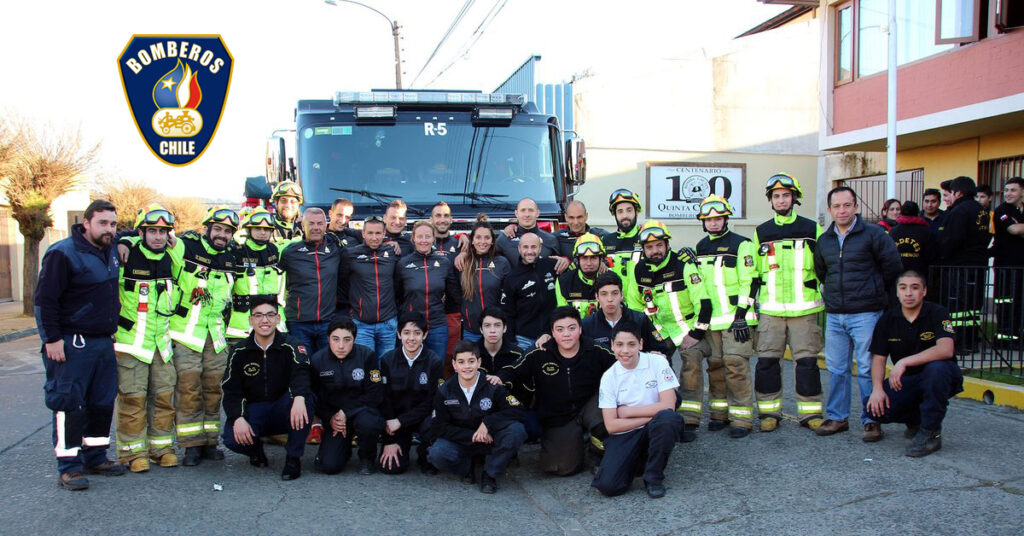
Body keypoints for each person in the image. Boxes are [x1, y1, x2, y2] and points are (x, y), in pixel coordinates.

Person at [36, 199, 125, 490]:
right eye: (102, 223)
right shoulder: (63, 253)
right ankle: (70, 466)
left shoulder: (110, 249)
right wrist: (51, 339)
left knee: (101, 403)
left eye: (113, 224)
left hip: (102, 342)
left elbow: (138, 236)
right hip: (72, 343)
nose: (109, 229)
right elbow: (45, 301)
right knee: (70, 404)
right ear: (85, 223)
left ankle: (96, 456)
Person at [813, 187, 901, 440]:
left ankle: (872, 419)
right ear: (830, 210)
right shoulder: (824, 240)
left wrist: (872, 293)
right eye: (837, 206)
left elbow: (892, 267)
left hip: (866, 313)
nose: (842, 210)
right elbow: (823, 272)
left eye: (847, 205)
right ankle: (837, 417)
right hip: (835, 315)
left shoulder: (874, 234)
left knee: (866, 368)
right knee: (837, 368)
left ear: (856, 207)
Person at [498, 307, 616, 476]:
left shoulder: (597, 350)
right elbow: (512, 370)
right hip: (559, 417)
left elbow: (622, 368)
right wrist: (499, 379)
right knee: (560, 468)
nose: (566, 334)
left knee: (601, 422)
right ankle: (579, 441)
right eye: (560, 329)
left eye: (572, 328)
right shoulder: (540, 352)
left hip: (591, 405)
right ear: (552, 332)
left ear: (580, 329)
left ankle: (598, 452)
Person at [751, 172, 826, 433]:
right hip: (771, 310)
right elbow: (755, 272)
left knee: (807, 364)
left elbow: (823, 264)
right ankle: (769, 413)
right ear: (770, 201)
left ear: (794, 198)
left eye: (785, 195)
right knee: (767, 364)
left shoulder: (811, 228)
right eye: (776, 196)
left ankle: (811, 413)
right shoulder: (762, 232)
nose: (781, 200)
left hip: (804, 309)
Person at [167, 205, 238, 466]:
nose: (222, 235)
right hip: (186, 334)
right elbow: (151, 238)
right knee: (188, 389)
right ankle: (191, 445)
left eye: (228, 231)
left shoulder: (232, 258)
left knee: (213, 390)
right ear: (207, 228)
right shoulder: (186, 247)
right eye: (217, 229)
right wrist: (125, 240)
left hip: (216, 337)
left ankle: (209, 442)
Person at [864, 271, 963, 457]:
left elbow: (946, 349)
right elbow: (878, 358)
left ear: (924, 291)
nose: (909, 293)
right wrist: (877, 389)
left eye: (915, 287)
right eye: (903, 288)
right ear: (897, 292)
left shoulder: (937, 313)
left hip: (942, 376)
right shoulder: (888, 319)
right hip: (909, 379)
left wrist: (903, 362)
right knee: (873, 409)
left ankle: (931, 433)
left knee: (936, 369)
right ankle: (916, 420)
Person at [113, 205, 179, 472]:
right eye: (152, 231)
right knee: (132, 401)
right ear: (141, 232)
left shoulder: (174, 258)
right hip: (131, 346)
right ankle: (132, 453)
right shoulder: (125, 257)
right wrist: (122, 238)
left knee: (164, 399)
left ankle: (161, 449)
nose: (158, 237)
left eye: (163, 232)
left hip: (162, 345)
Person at [221, 297, 314, 480]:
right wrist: (238, 418)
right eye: (259, 315)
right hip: (254, 409)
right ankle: (255, 449)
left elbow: (302, 374)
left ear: (278, 318)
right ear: (251, 320)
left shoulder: (292, 345)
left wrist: (299, 398)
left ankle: (293, 458)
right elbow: (231, 390)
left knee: (306, 400)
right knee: (231, 438)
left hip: (282, 407)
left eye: (270, 315)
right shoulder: (239, 351)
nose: (265, 320)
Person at [592, 321, 684, 498]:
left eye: (631, 344)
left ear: (641, 344)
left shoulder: (657, 362)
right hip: (627, 432)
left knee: (668, 420)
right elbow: (611, 426)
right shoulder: (609, 377)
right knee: (608, 487)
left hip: (654, 426)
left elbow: (668, 406)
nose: (625, 351)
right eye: (619, 345)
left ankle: (654, 478)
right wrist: (650, 417)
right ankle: (639, 462)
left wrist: (627, 412)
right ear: (612, 346)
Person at [692, 195, 757, 438]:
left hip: (736, 319)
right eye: (708, 220)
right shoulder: (701, 247)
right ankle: (720, 414)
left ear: (726, 218)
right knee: (716, 367)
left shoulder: (742, 245)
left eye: (718, 218)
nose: (714, 223)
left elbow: (750, 281)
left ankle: (741, 419)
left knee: (736, 366)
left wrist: (741, 315)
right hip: (713, 322)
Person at [428, 341, 527, 494]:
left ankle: (489, 474)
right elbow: (438, 427)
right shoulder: (444, 390)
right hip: (462, 440)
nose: (467, 366)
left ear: (479, 362)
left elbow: (517, 410)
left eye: (471, 361)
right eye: (461, 362)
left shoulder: (492, 385)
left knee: (516, 431)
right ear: (454, 365)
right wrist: (473, 436)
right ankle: (467, 468)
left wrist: (488, 423)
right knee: (437, 454)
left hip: (490, 438)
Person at [308, 316, 386, 475]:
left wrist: (347, 411)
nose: (341, 346)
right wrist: (330, 417)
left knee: (368, 423)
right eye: (335, 339)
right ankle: (344, 449)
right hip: (335, 418)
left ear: (355, 339)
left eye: (347, 339)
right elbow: (315, 398)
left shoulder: (367, 355)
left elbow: (375, 393)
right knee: (328, 466)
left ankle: (367, 458)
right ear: (328, 338)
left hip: (361, 412)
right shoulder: (317, 360)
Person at [624, 220, 710, 361]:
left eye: (659, 245)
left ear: (667, 245)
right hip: (659, 331)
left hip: (687, 328)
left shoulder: (683, 263)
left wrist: (696, 334)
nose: (655, 251)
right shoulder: (638, 270)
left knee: (692, 362)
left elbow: (703, 301)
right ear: (643, 249)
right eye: (649, 247)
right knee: (654, 364)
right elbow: (635, 309)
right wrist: (644, 336)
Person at [378, 312, 444, 475]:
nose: (411, 338)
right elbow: (384, 399)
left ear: (425, 335)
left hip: (421, 419)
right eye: (406, 333)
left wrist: (402, 420)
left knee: (435, 422)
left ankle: (425, 456)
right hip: (396, 422)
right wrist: (390, 439)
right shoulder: (387, 359)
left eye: (417, 333)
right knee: (391, 468)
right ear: (399, 334)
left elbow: (432, 402)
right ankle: (400, 445)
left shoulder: (434, 361)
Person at [278, 208, 342, 356]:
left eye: (320, 223)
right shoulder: (290, 252)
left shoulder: (335, 248)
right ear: (302, 226)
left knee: (326, 368)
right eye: (311, 223)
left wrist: (391, 244)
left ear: (326, 226)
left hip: (327, 321)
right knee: (302, 367)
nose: (315, 227)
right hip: (299, 323)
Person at [395, 221, 461, 359]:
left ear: (433, 239)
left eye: (427, 236)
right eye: (420, 236)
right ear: (413, 238)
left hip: (437, 326)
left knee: (437, 367)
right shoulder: (403, 264)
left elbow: (453, 293)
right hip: (413, 328)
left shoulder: (444, 263)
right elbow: (398, 295)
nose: (423, 240)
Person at [338, 215, 400, 358]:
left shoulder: (391, 252)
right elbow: (342, 283)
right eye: (370, 233)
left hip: (388, 323)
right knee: (366, 368)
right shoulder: (350, 254)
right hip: (361, 324)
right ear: (363, 234)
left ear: (384, 234)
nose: (374, 237)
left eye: (378, 233)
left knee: (386, 368)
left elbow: (398, 282)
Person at [227, 207, 286, 341]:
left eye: (266, 229)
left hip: (274, 328)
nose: (262, 233)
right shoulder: (235, 253)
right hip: (241, 329)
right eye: (258, 229)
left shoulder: (277, 251)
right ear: (249, 230)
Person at [581, 272, 669, 356]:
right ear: (597, 297)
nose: (610, 299)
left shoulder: (639, 320)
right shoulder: (587, 325)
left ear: (622, 295)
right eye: (604, 294)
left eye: (615, 293)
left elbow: (662, 351)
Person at [457, 218, 512, 344]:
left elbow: (509, 297)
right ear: (472, 240)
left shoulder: (502, 263)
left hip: (495, 331)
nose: (482, 242)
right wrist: (461, 235)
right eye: (478, 237)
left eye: (487, 238)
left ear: (492, 240)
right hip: (471, 331)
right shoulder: (462, 262)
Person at [501, 233, 559, 350]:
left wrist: (565, 260)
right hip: (523, 339)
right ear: (519, 248)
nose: (529, 251)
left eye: (533, 247)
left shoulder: (553, 267)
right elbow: (508, 313)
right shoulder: (512, 278)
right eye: (525, 247)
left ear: (540, 248)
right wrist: (511, 342)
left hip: (552, 335)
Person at [429, 201, 468, 357]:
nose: (442, 219)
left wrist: (466, 244)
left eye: (446, 215)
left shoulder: (460, 244)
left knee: (451, 356)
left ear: (451, 219)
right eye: (438, 215)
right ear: (431, 219)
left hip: (453, 312)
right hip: (427, 312)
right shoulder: (421, 243)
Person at [991, 177, 1024, 347]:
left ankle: (1016, 337)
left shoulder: (1021, 211)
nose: (1008, 193)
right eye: (1006, 190)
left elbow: (1020, 229)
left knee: (1019, 303)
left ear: (1022, 192)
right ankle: (1004, 339)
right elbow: (1013, 229)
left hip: (1021, 265)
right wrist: (1019, 228)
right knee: (1005, 302)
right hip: (1005, 264)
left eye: (1013, 190)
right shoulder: (1002, 210)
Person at [554, 233, 605, 319]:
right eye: (584, 258)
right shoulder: (564, 282)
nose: (589, 263)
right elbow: (563, 319)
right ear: (577, 259)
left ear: (600, 259)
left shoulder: (611, 282)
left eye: (593, 258)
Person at [496, 197, 561, 262]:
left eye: (531, 210)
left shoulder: (551, 240)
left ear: (538, 213)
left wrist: (564, 260)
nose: (527, 215)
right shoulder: (504, 239)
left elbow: (559, 264)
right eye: (523, 210)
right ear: (516, 213)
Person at [602, 189, 644, 281]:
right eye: (620, 211)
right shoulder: (605, 241)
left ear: (636, 212)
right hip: (613, 295)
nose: (625, 215)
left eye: (629, 210)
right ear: (615, 214)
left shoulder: (646, 238)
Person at [889, 201, 938, 277]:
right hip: (919, 273)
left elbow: (889, 254)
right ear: (918, 213)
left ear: (901, 213)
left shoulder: (893, 231)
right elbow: (931, 255)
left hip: (898, 273)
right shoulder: (926, 231)